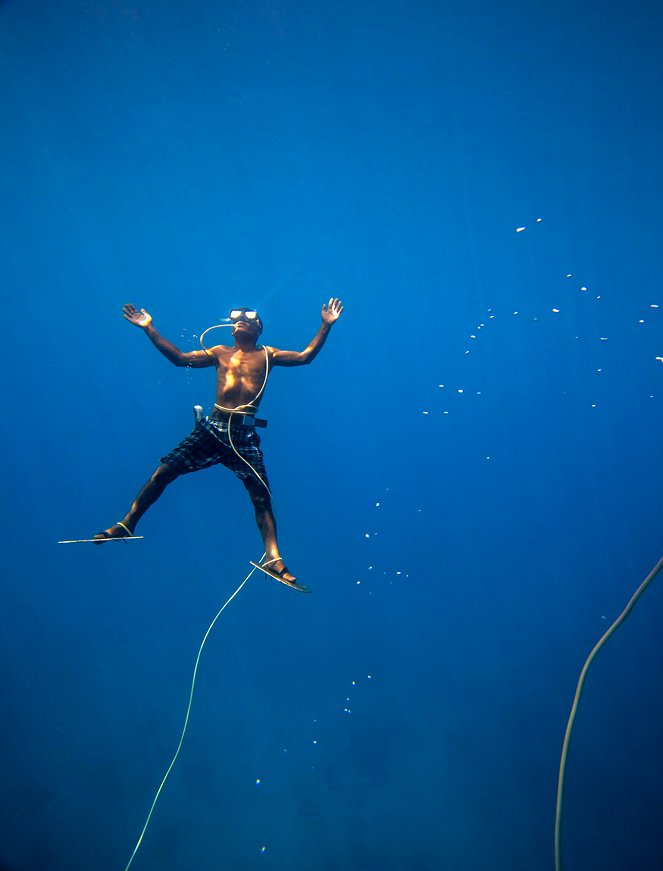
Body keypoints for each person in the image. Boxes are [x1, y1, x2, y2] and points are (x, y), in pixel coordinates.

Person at [93, 299, 344, 588]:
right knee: (164, 472)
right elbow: (178, 358)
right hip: (212, 428)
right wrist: (148, 328)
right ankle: (127, 524)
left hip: (243, 434)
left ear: (258, 328)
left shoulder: (268, 353)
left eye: (248, 317)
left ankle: (273, 558)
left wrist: (325, 325)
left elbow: (305, 356)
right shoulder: (219, 352)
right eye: (235, 316)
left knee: (260, 496)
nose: (239, 319)